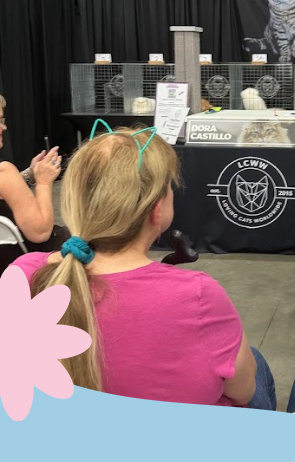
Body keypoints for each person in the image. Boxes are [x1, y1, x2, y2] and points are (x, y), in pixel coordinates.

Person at [10, 123, 276, 410]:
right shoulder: (199, 295)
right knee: (254, 363)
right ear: (158, 209)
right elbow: (244, 391)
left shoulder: (23, 274)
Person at [0, 93, 65, 275]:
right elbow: (40, 232)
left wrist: (29, 175)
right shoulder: (4, 172)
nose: (4, 127)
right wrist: (44, 182)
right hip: (20, 268)